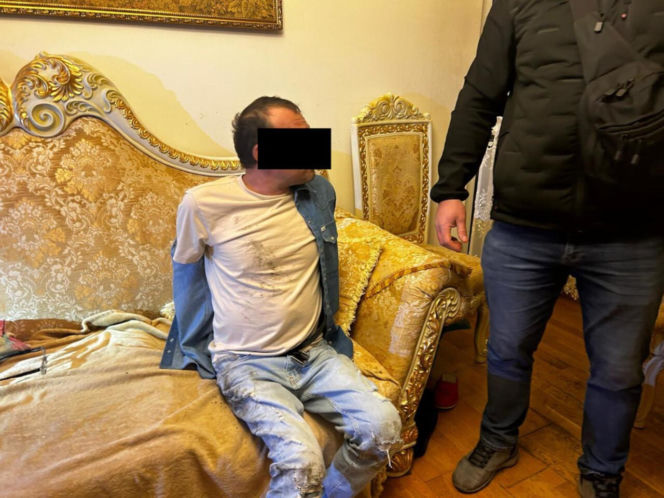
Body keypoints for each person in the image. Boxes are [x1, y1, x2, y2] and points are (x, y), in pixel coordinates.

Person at [429, 2, 664, 497]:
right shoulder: (519, 3)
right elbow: (479, 96)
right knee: (507, 350)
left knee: (620, 371)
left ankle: (602, 472)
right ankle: (498, 439)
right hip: (525, 224)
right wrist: (450, 188)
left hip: (632, 230)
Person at [161, 96, 402, 497]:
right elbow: (188, 278)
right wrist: (192, 345)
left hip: (314, 353)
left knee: (383, 430)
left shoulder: (319, 193)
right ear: (262, 152)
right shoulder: (203, 204)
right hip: (247, 363)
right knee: (302, 462)